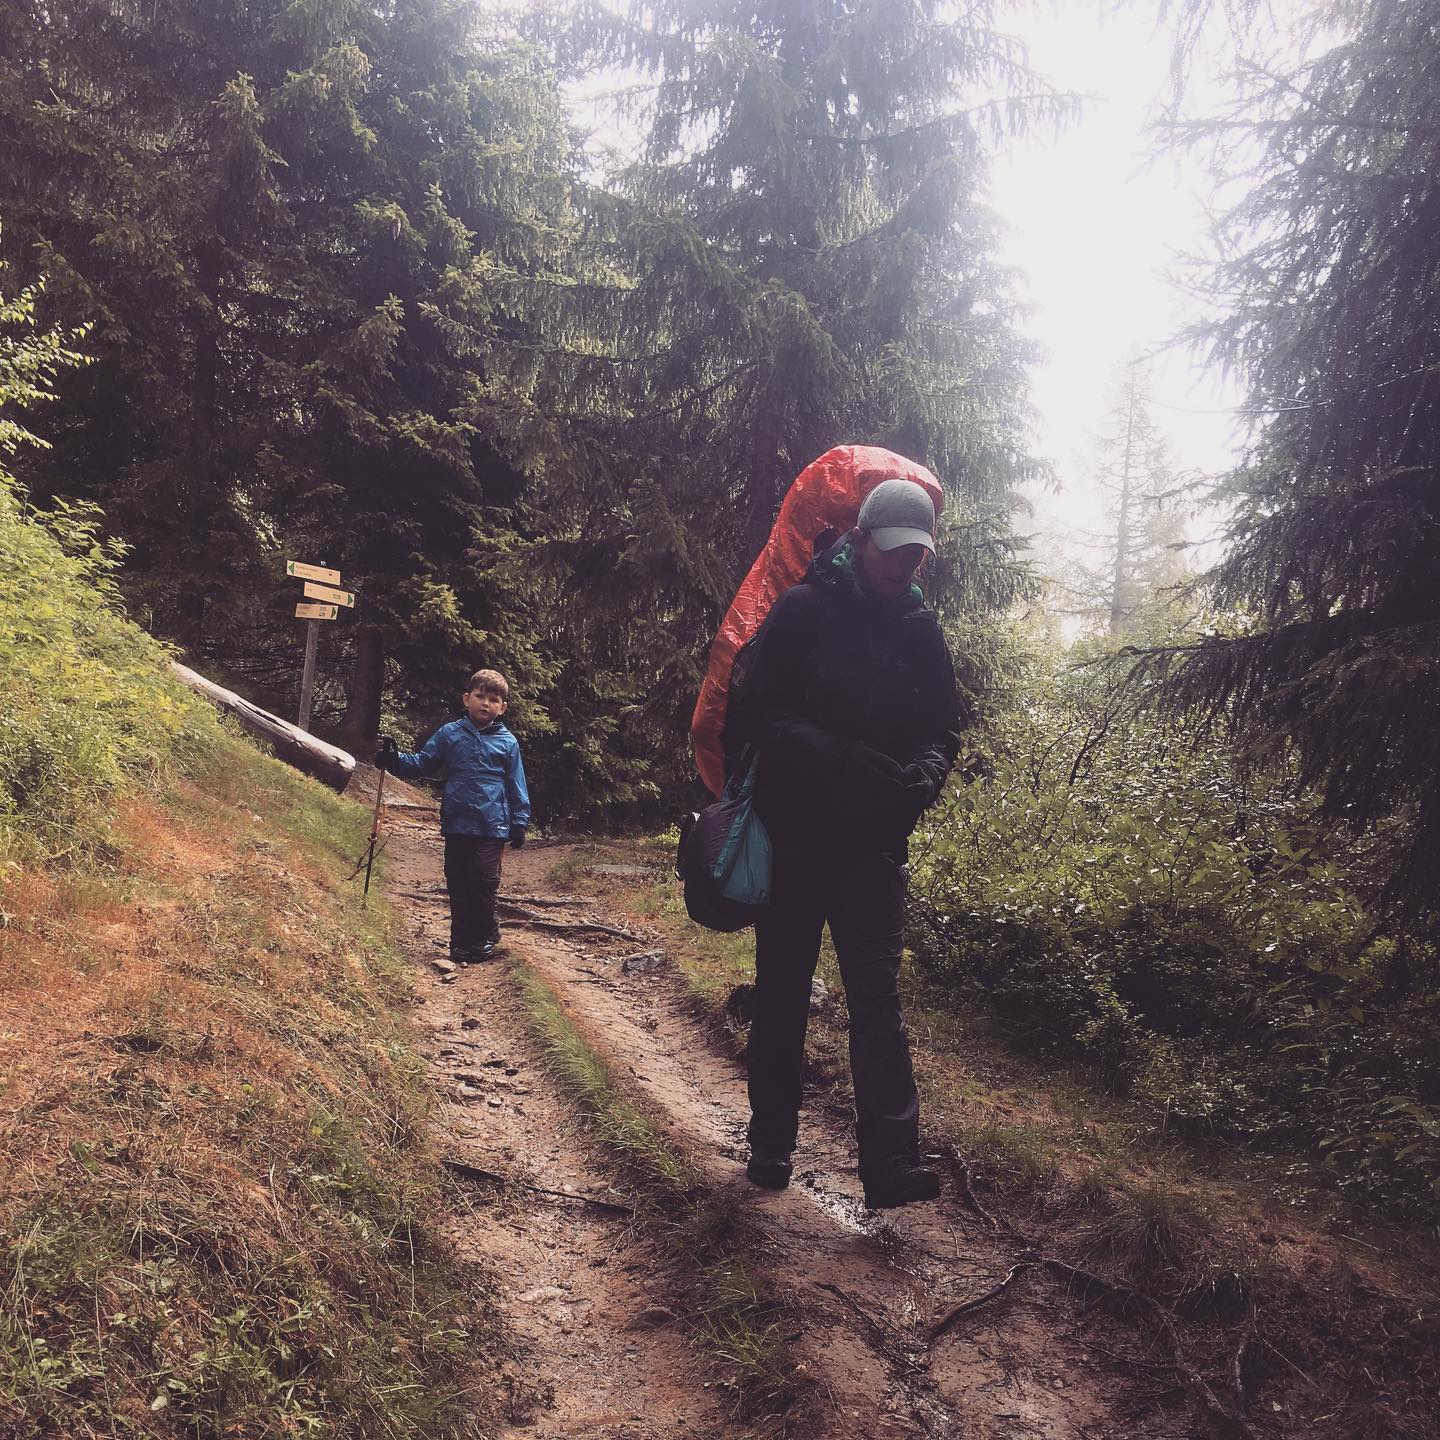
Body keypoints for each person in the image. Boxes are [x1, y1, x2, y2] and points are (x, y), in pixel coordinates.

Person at [724, 477, 965, 1210]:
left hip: (872, 845)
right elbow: (761, 717)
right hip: (795, 834)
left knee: (878, 1001)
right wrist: (842, 758)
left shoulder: (920, 628)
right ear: (860, 541)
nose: (902, 568)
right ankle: (771, 1143)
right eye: (892, 552)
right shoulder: (804, 610)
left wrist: (923, 775)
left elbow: (943, 727)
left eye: (915, 557)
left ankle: (890, 1164)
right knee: (784, 991)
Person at [376, 668, 531, 964]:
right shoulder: (450, 734)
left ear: (503, 707)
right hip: (458, 821)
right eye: (480, 696)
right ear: (466, 699)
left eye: (494, 699)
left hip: (492, 824)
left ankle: (484, 935)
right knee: (458, 881)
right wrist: (394, 762)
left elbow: (516, 783)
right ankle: (459, 942)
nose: (485, 703)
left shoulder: (508, 742)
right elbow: (423, 763)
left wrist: (520, 821)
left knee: (484, 881)